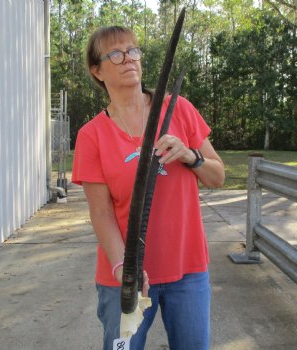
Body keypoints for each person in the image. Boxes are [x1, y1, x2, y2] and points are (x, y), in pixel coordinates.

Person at [72, 25, 225, 350]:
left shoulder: (179, 109)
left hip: (188, 270)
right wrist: (121, 268)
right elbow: (100, 213)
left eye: (132, 50)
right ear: (97, 70)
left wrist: (190, 155)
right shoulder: (92, 135)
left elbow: (218, 176)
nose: (128, 58)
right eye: (115, 53)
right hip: (124, 277)